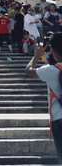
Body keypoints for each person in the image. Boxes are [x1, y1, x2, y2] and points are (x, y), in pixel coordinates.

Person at [25, 32, 62, 163]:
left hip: (59, 118)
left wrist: (37, 55)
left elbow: (28, 69)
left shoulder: (50, 70)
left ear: (53, 51)